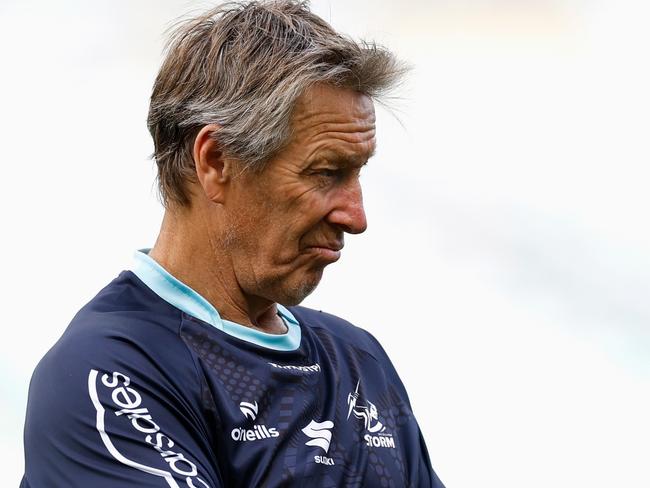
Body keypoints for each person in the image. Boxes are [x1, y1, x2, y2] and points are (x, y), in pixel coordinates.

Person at [21, 1, 445, 486]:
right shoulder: (110, 373)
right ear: (216, 161)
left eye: (358, 172)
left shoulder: (358, 360)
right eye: (327, 172)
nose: (356, 216)